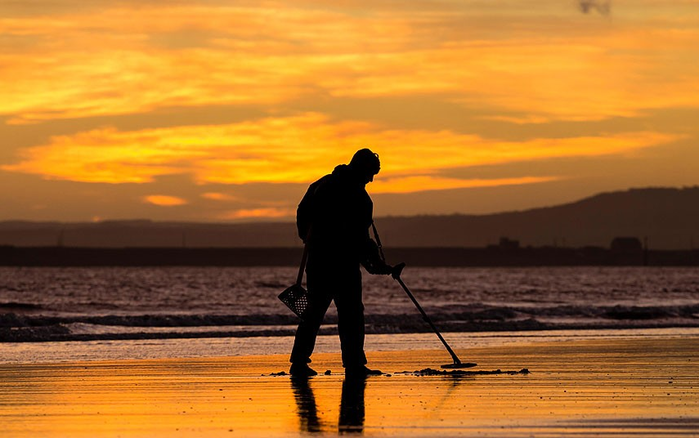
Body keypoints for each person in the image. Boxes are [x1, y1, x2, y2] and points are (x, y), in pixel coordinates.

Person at [290, 148, 395, 377]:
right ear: (361, 169)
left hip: (319, 260)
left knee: (315, 313)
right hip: (342, 264)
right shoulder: (358, 197)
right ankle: (354, 364)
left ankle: (298, 362)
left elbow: (302, 214)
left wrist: (308, 239)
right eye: (371, 173)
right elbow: (360, 239)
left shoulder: (321, 185)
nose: (371, 179)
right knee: (351, 314)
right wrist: (377, 264)